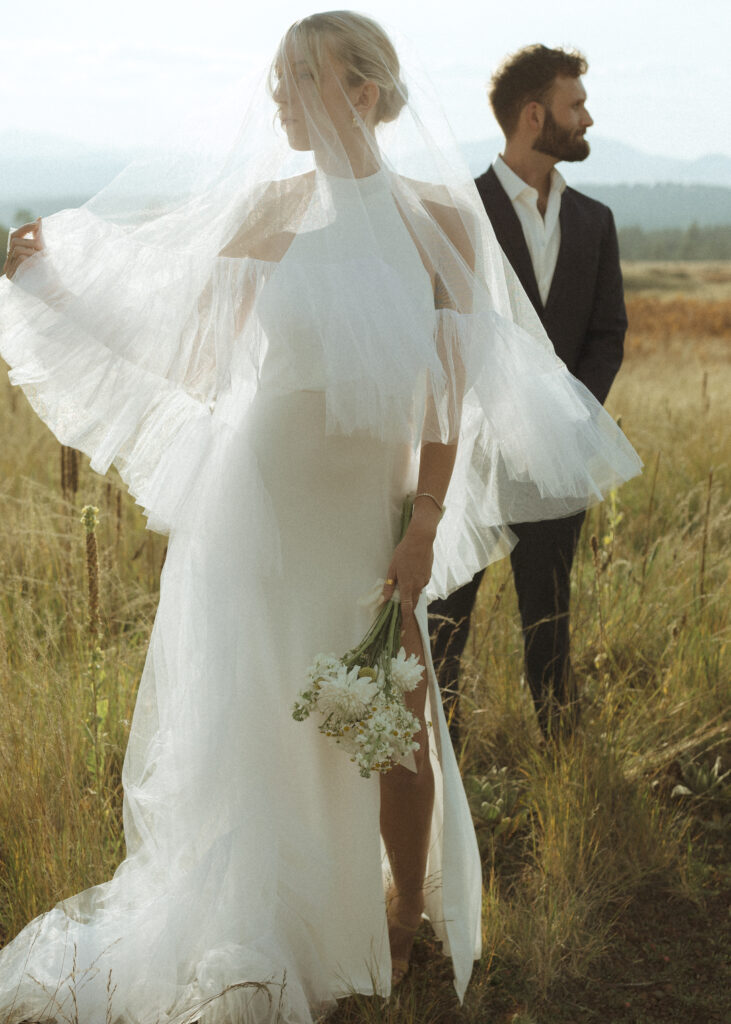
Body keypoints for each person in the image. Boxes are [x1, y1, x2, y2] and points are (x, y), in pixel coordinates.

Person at [0, 15, 640, 1023]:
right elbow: (189, 344)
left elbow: (448, 391)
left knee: (398, 718)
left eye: (292, 78)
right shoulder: (267, 208)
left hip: (366, 503)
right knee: (260, 709)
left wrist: (425, 516)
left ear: (357, 88)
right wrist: (58, 285)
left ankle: (398, 914)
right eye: (274, 79)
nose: (274, 98)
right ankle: (268, 921)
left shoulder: (436, 215)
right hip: (258, 495)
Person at [429, 45, 627, 744]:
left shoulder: (594, 221)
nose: (586, 118)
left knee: (550, 622)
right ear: (533, 115)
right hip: (468, 459)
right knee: (444, 621)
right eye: (574, 106)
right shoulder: (459, 212)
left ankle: (563, 764)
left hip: (557, 458)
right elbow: (437, 331)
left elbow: (607, 334)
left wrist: (563, 420)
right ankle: (441, 770)